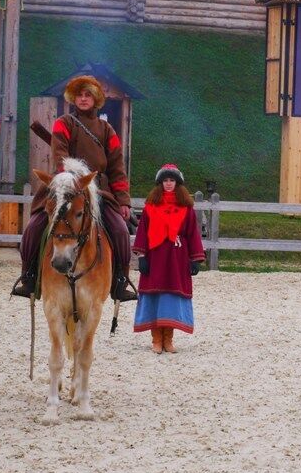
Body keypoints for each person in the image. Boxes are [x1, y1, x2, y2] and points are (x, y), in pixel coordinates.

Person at [12, 75, 137, 302]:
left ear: (96, 98)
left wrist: (123, 200)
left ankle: (121, 281)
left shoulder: (107, 130)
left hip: (99, 190)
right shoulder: (64, 123)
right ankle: (28, 277)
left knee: (119, 230)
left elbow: (117, 167)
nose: (83, 99)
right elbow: (60, 155)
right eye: (79, 94)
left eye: (88, 94)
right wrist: (71, 179)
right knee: (33, 228)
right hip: (65, 186)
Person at [132, 163, 205, 353]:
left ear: (178, 182)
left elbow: (192, 234)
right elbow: (142, 232)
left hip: (177, 258)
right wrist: (142, 256)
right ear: (160, 183)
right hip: (155, 257)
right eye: (165, 180)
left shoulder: (186, 208)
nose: (169, 183)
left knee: (171, 297)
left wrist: (195, 259)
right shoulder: (150, 206)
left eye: (172, 180)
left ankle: (168, 340)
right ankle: (156, 340)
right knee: (155, 295)